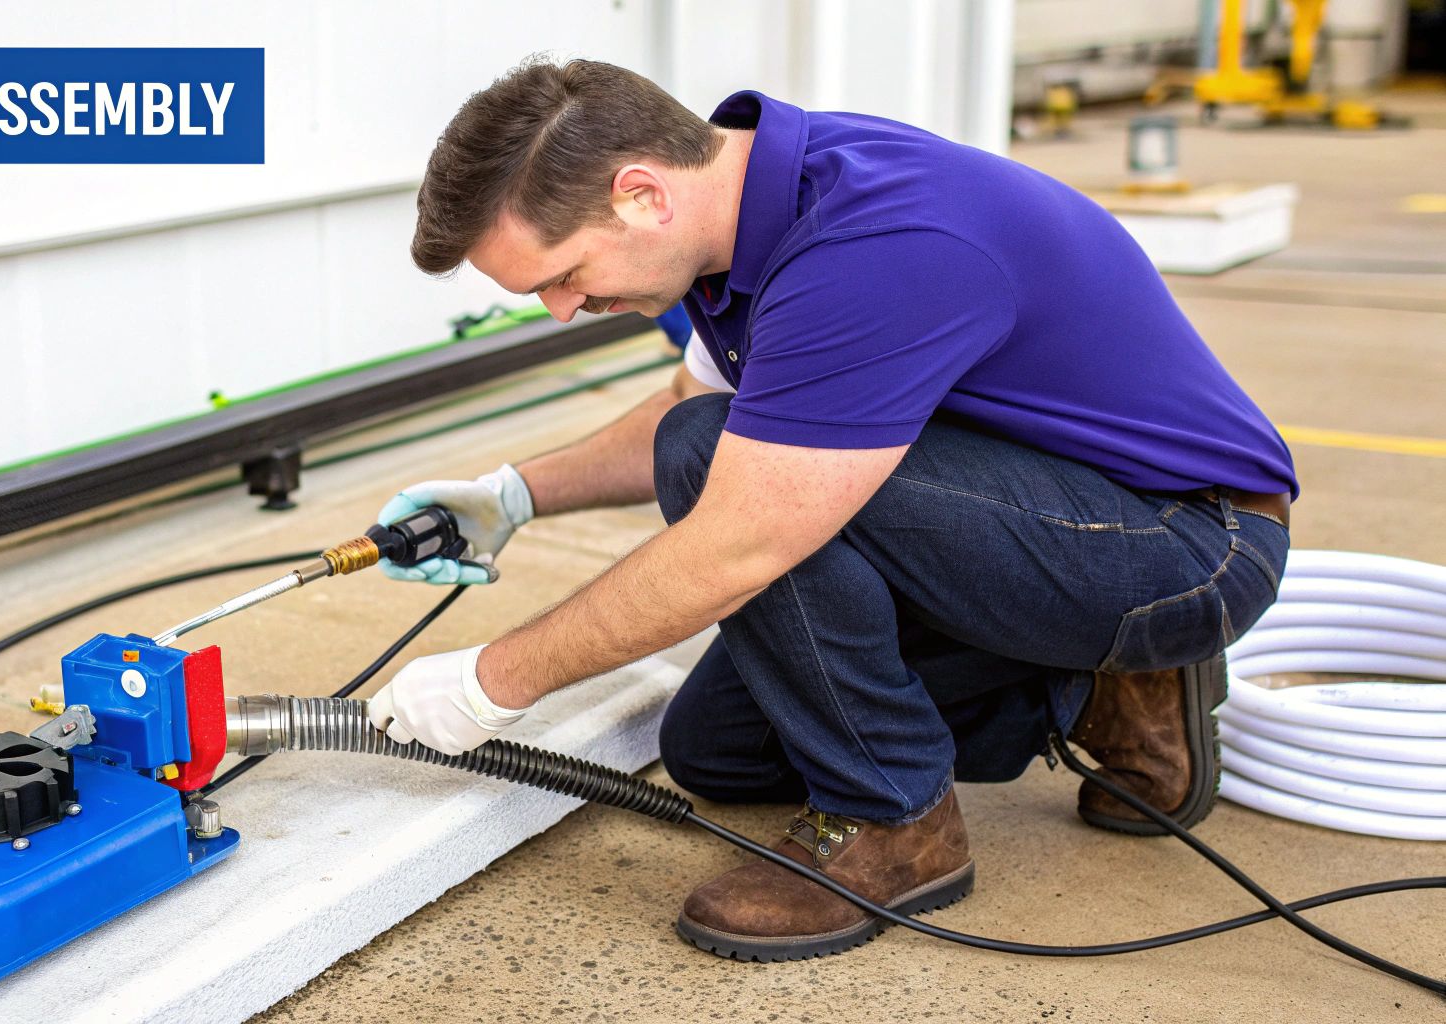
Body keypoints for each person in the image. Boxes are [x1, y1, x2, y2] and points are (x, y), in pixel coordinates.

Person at [364, 57, 1296, 962]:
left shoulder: (873, 245)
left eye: (559, 276)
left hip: (1180, 544)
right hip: (1035, 517)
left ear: (641, 193)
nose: (563, 310)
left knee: (715, 471)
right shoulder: (731, 226)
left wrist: (492, 682)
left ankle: (896, 819)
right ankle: (1087, 681)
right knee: (718, 753)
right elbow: (690, 403)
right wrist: (513, 494)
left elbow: (738, 539)